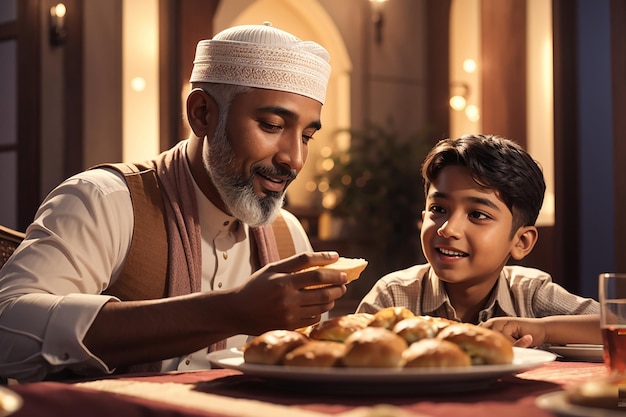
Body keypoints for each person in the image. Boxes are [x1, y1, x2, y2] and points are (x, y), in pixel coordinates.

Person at [0, 23, 349, 382]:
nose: (294, 159)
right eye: (272, 125)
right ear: (201, 114)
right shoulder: (107, 200)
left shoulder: (289, 235)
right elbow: (7, 327)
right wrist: (228, 311)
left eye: (306, 136)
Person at [356, 134, 601, 348]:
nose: (448, 229)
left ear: (521, 241)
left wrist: (544, 330)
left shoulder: (530, 293)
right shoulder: (393, 296)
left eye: (477, 215)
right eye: (438, 209)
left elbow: (617, 324)